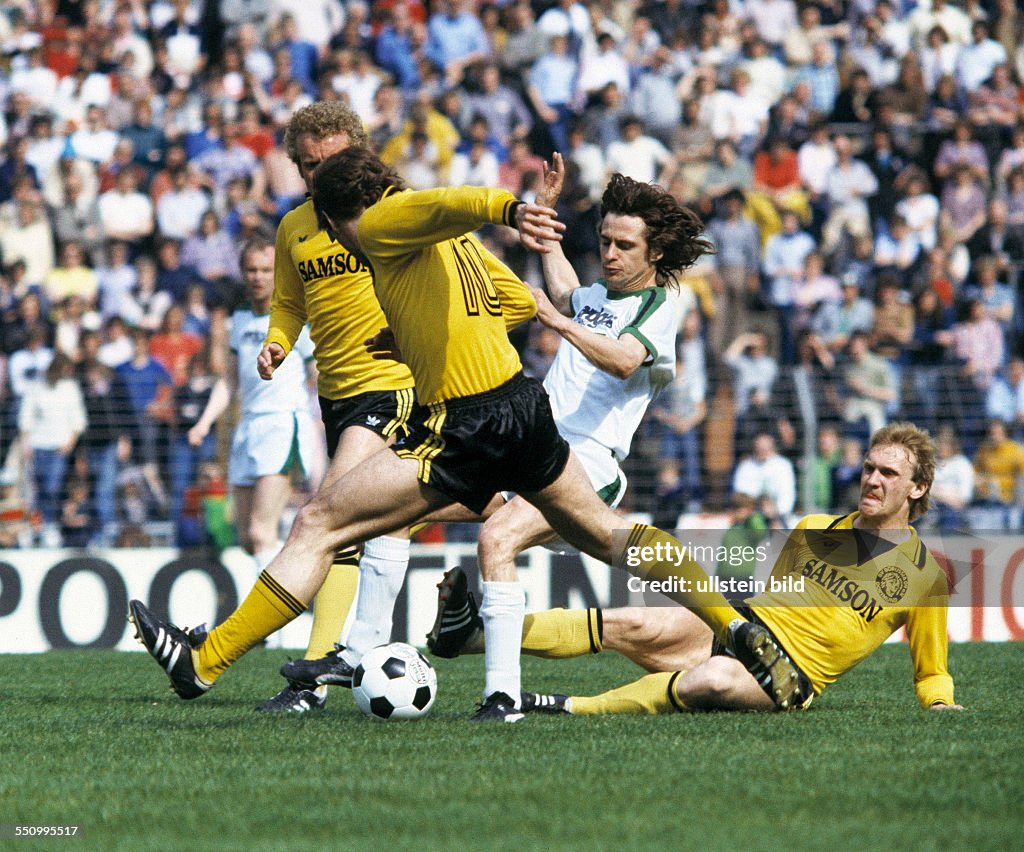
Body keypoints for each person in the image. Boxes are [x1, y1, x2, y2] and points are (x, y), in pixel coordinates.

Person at [129, 148, 806, 720]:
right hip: (524, 410)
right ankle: (734, 623)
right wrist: (416, 335)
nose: (337, 241)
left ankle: (204, 662)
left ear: (340, 216)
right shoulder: (452, 250)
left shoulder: (390, 219)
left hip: (470, 424)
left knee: (322, 520)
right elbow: (513, 301)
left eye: (332, 228)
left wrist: (508, 209)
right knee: (606, 534)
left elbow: (444, 203)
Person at [437, 423, 962, 715]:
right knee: (634, 620)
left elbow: (932, 669)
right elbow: (767, 597)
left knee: (707, 679)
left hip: (790, 678)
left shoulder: (925, 578)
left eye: (887, 473)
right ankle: (473, 636)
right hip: (745, 628)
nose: (872, 480)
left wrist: (939, 704)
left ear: (917, 489)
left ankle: (564, 706)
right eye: (869, 468)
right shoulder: (816, 524)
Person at [426, 161, 702, 717]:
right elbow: (565, 287)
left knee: (497, 541)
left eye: (625, 244)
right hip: (531, 449)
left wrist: (557, 322)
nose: (611, 253)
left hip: (588, 463)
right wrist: (543, 211)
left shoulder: (661, 304)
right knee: (405, 501)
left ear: (655, 253)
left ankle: (502, 698)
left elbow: (624, 360)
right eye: (604, 240)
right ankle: (355, 652)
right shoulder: (597, 295)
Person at [189, 102, 418, 713]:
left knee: (326, 517)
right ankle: (313, 674)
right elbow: (289, 305)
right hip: (337, 397)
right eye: (309, 165)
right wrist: (276, 343)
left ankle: (241, 668)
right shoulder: (294, 227)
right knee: (353, 527)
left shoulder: (394, 208)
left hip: (392, 384)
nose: (319, 174)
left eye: (333, 162)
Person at [188, 239, 318, 599]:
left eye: (265, 270)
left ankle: (275, 623)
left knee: (263, 532)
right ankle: (288, 594)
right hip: (248, 427)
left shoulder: (294, 316)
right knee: (247, 538)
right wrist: (204, 422)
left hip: (281, 423)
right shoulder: (241, 317)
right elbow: (230, 380)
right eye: (252, 270)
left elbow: (317, 376)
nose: (258, 277)